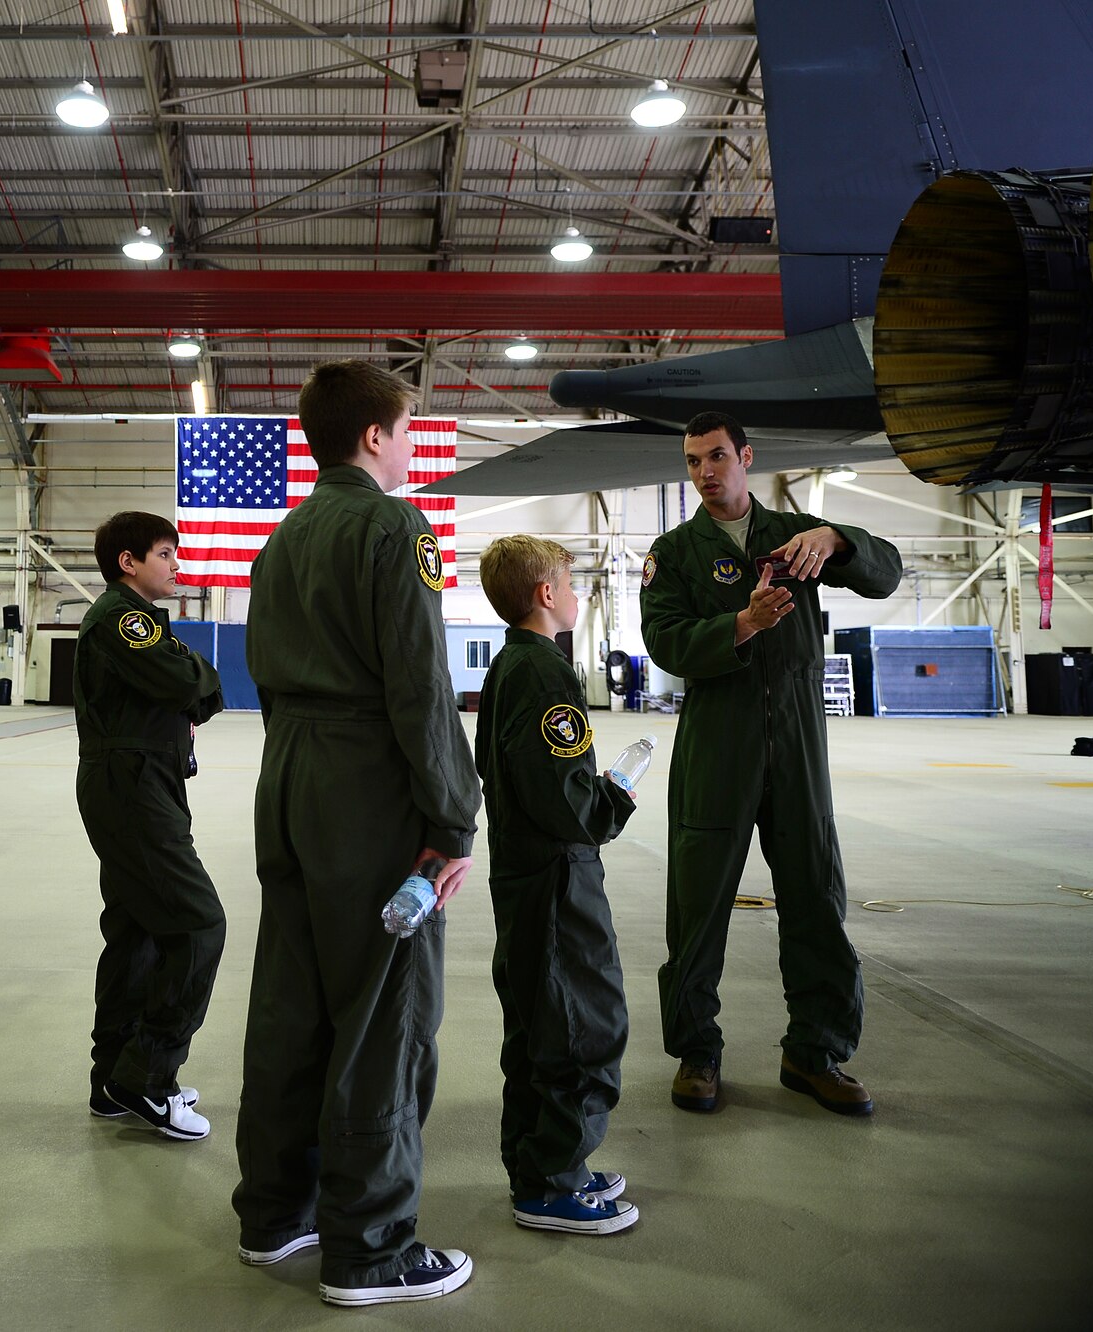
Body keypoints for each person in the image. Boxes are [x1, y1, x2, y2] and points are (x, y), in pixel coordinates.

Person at [234, 361, 481, 1309]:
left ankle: (274, 1212)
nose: (413, 445)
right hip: (366, 783)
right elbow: (417, 683)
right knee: (383, 1008)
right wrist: (451, 815)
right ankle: (372, 1248)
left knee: (293, 1003)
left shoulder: (284, 535)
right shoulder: (393, 525)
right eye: (408, 429)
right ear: (375, 435)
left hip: (289, 773)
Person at [640, 410, 903, 1117]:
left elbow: (885, 573)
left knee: (816, 896)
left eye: (717, 456)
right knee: (697, 905)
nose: (705, 472)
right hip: (715, 743)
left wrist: (839, 538)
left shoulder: (796, 536)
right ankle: (698, 1053)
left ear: (746, 457)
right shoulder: (676, 550)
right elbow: (663, 640)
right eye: (694, 460)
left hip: (796, 743)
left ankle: (813, 1053)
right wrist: (741, 624)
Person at [473, 535, 641, 1236]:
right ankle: (552, 1182)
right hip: (555, 875)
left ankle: (543, 1162)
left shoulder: (508, 668)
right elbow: (569, 801)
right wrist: (612, 798)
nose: (575, 595)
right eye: (569, 583)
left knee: (540, 1025)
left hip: (523, 868)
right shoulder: (545, 674)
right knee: (581, 1023)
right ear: (545, 594)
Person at [75, 512, 226, 1139]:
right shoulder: (123, 617)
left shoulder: (137, 620)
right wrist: (196, 682)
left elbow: (193, 691)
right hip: (132, 784)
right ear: (128, 561)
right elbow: (189, 680)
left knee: (137, 928)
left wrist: (194, 689)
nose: (176, 564)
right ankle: (148, 1076)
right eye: (165, 553)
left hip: (141, 778)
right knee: (197, 922)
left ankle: (113, 1078)